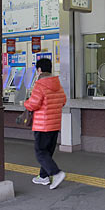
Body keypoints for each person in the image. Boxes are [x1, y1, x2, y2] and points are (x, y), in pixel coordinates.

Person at [24, 58, 67, 190]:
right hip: (54, 124)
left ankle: (56, 173)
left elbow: (33, 104)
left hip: (42, 125)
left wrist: (25, 103)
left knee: (40, 152)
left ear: (39, 70)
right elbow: (63, 101)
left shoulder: (40, 84)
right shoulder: (57, 84)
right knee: (47, 151)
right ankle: (43, 177)